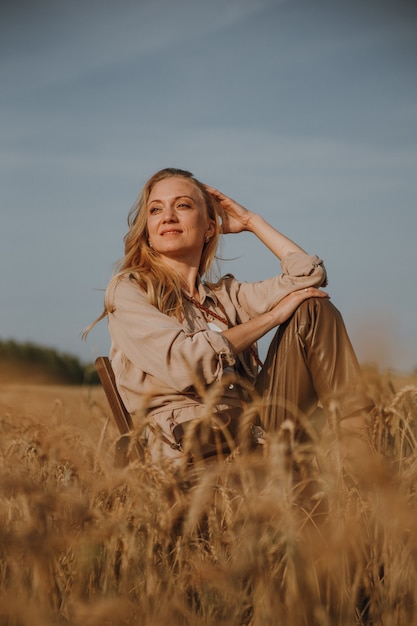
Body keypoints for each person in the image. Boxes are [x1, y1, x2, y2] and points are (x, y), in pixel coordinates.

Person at [86, 167, 373, 469]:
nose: (167, 216)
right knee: (302, 307)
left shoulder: (225, 295)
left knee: (313, 310)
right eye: (155, 209)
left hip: (256, 433)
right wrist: (272, 317)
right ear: (148, 228)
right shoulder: (130, 290)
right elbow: (184, 364)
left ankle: (360, 456)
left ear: (211, 227)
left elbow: (309, 275)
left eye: (182, 205)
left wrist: (252, 222)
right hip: (195, 450)